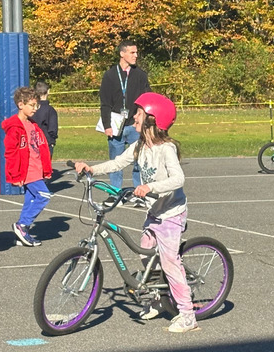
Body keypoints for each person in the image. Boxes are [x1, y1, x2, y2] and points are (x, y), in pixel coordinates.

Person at [73, 92, 198, 333]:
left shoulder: (166, 149)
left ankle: (187, 314)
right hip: (154, 212)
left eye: (139, 113)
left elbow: (178, 179)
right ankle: (159, 299)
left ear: (152, 119)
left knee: (170, 262)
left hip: (171, 214)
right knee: (145, 252)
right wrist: (91, 169)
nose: (134, 118)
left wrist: (150, 187)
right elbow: (118, 162)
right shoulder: (140, 146)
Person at [98, 40, 151, 207]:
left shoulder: (140, 75)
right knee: (116, 161)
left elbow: (146, 98)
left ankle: (140, 194)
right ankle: (115, 194)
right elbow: (105, 103)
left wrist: (141, 118)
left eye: (136, 52)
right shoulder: (110, 75)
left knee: (139, 161)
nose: (136, 55)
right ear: (122, 54)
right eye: (132, 52)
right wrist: (107, 125)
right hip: (116, 126)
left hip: (135, 125)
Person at [0, 86, 53, 246]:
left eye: (37, 105)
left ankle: (23, 233)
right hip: (27, 170)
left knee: (30, 201)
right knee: (44, 195)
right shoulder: (15, 128)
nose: (35, 109)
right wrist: (15, 175)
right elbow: (10, 153)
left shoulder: (33, 125)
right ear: (21, 104)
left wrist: (46, 169)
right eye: (32, 105)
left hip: (37, 169)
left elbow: (41, 148)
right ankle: (22, 225)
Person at [30, 80, 59, 156]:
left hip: (32, 142)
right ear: (48, 91)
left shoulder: (30, 109)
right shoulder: (50, 110)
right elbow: (53, 129)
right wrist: (52, 142)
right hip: (46, 143)